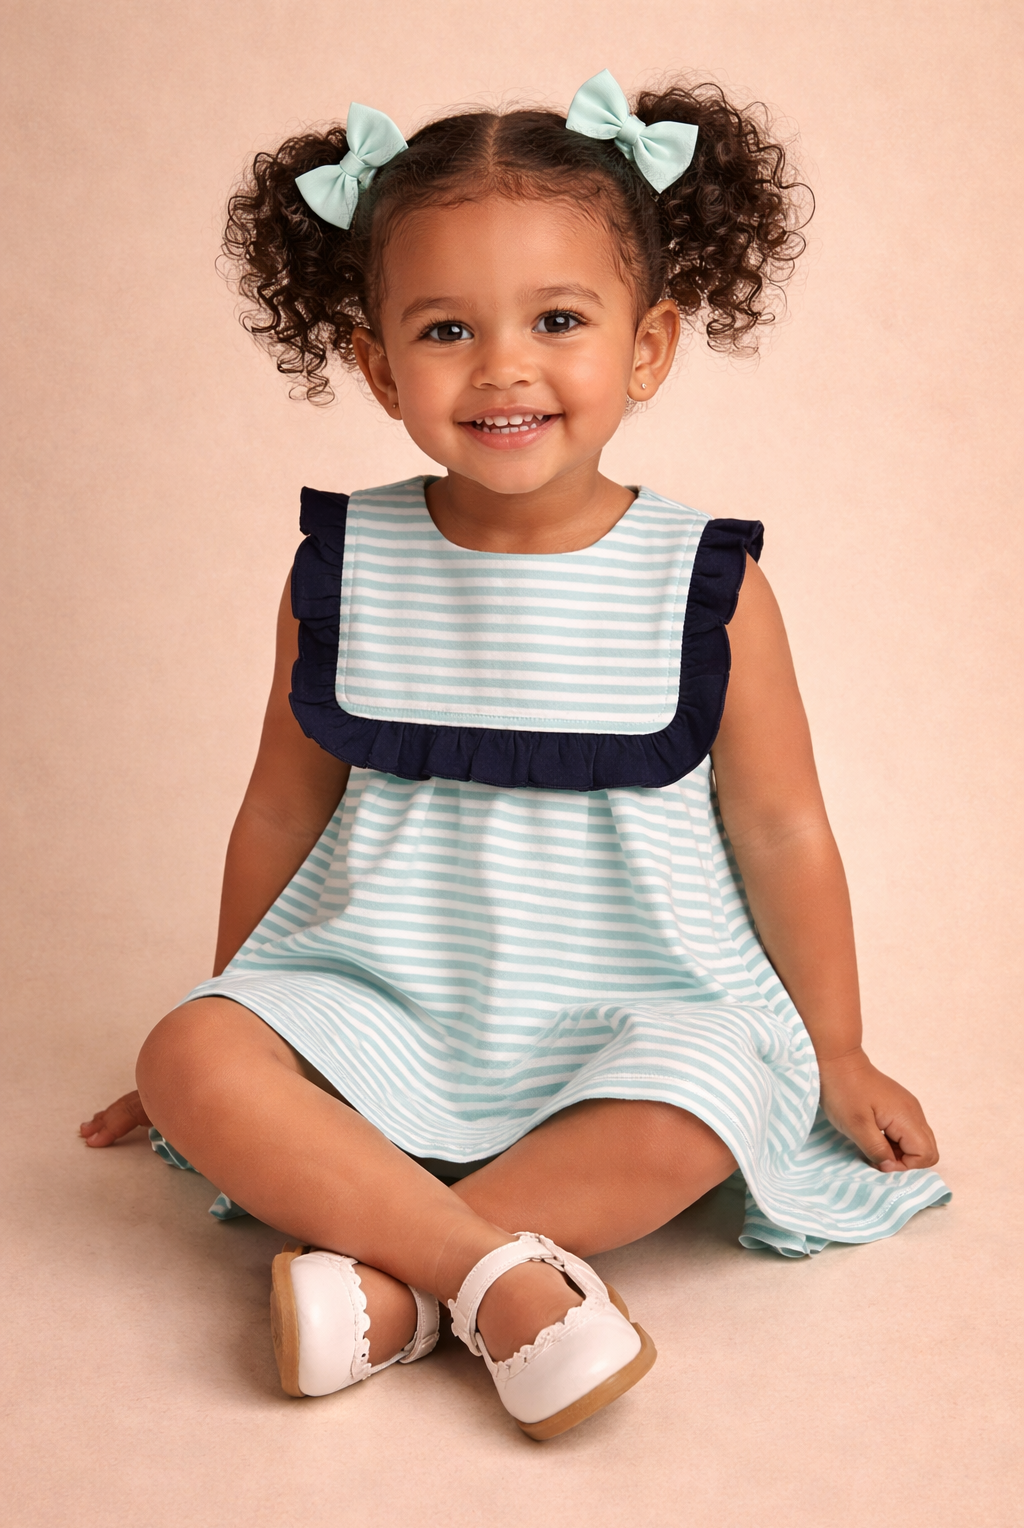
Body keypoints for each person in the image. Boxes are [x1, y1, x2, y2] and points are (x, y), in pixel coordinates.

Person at [80, 70, 949, 1440]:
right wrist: (245, 1014)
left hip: (620, 1016)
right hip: (387, 996)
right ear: (376, 365)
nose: (503, 367)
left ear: (649, 347)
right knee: (192, 1046)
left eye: (558, 320)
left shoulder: (702, 584)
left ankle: (405, 1285)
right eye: (444, 329)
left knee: (712, 1095)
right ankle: (492, 1278)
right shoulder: (348, 565)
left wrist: (832, 1049)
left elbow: (783, 831)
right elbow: (278, 805)